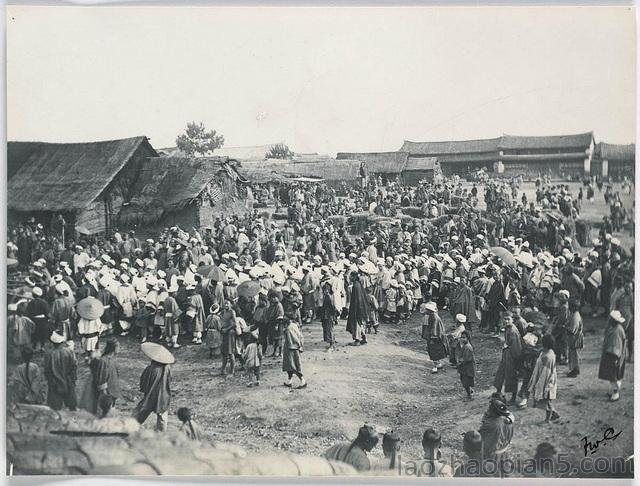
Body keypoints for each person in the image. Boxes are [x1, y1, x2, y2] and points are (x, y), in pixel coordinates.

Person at [133, 342, 174, 431]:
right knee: (162, 417)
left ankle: (130, 427)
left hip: (151, 395)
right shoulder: (168, 368)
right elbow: (170, 380)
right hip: (163, 395)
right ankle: (161, 434)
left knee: (141, 412)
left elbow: (143, 385)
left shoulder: (150, 369)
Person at [79, 338, 121, 416]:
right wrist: (104, 391)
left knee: (110, 408)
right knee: (104, 410)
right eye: (118, 346)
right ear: (113, 347)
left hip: (113, 387)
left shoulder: (113, 359)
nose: (119, 349)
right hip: (107, 390)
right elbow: (102, 377)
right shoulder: (104, 361)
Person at [527, 334, 559, 422]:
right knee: (546, 400)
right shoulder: (548, 352)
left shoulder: (547, 357)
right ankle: (554, 413)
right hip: (547, 377)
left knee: (546, 400)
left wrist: (540, 385)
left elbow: (545, 373)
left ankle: (548, 419)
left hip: (546, 380)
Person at [493, 311, 522, 404]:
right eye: (504, 319)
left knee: (511, 376)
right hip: (506, 354)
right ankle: (498, 392)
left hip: (511, 356)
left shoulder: (513, 331)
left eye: (508, 319)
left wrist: (516, 360)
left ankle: (513, 398)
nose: (506, 321)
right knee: (500, 373)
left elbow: (517, 348)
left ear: (512, 319)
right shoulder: (507, 328)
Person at [44, 332, 77, 411]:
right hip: (68, 381)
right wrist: (73, 379)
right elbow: (74, 366)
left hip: (54, 383)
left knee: (55, 407)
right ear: (62, 342)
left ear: (53, 343)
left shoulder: (49, 354)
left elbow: (47, 371)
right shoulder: (69, 351)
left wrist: (51, 381)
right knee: (71, 405)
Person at [598, 310, 627, 401]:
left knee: (613, 375)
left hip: (613, 355)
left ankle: (615, 393)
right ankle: (614, 391)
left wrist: (615, 359)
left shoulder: (616, 331)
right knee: (613, 375)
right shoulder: (615, 328)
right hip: (612, 354)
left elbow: (616, 346)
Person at [479, 397, 515, 468]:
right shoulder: (508, 420)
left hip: (493, 455)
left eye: (490, 407)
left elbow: (484, 442)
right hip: (504, 450)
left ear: (493, 410)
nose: (488, 409)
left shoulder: (490, 425)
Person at [421, 302, 449, 373]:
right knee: (434, 350)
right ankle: (438, 363)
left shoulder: (434, 317)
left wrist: (432, 338)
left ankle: (436, 365)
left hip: (435, 337)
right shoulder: (432, 316)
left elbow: (434, 329)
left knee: (434, 350)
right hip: (435, 336)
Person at [346, 272, 369, 345]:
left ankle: (357, 340)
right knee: (360, 323)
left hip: (357, 307)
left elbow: (358, 298)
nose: (349, 278)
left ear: (354, 277)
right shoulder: (358, 284)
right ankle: (364, 338)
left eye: (351, 276)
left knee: (356, 324)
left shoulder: (356, 286)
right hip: (359, 307)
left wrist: (357, 308)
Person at [283, 317, 306, 388]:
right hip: (294, 348)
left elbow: (292, 340)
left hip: (291, 349)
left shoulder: (288, 329)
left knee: (293, 365)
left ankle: (303, 381)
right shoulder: (294, 325)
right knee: (289, 366)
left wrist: (296, 345)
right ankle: (289, 380)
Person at [219, 300, 237, 376]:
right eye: (225, 304)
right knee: (223, 352)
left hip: (230, 333)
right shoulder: (223, 312)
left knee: (230, 352)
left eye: (227, 304)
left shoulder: (232, 312)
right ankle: (223, 369)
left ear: (230, 305)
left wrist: (227, 329)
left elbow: (235, 324)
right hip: (224, 333)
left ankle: (232, 370)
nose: (226, 305)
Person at [566, 299, 584, 377]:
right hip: (574, 337)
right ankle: (574, 369)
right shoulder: (574, 314)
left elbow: (572, 330)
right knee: (573, 354)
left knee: (574, 355)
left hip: (575, 337)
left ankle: (575, 370)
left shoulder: (575, 316)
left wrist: (565, 327)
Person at [457, 330, 475, 399]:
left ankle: (469, 396)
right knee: (465, 380)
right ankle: (470, 392)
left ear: (467, 338)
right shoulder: (465, 346)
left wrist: (460, 362)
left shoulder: (468, 347)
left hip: (468, 368)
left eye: (464, 337)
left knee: (466, 382)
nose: (462, 339)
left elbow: (467, 359)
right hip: (465, 368)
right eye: (461, 337)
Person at [320, 281, 338, 351]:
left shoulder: (328, 297)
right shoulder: (328, 297)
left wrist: (334, 317)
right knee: (329, 329)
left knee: (329, 329)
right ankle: (331, 343)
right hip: (327, 315)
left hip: (328, 315)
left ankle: (332, 344)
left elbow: (332, 308)